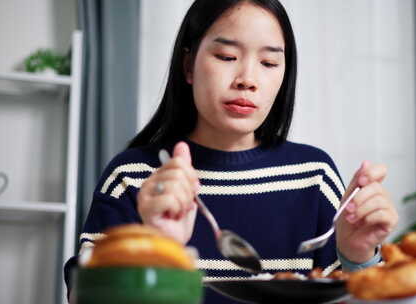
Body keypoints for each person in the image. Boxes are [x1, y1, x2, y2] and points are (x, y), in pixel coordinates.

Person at [64, 0, 398, 303]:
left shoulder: (314, 175)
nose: (248, 79)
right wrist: (157, 248)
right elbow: (82, 297)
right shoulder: (134, 177)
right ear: (189, 66)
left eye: (269, 62)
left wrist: (359, 256)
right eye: (226, 57)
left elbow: (353, 294)